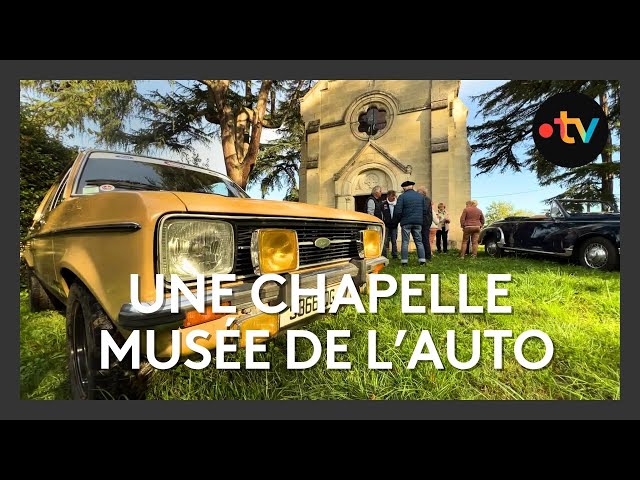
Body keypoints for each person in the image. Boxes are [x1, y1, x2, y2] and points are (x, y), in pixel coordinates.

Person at [393, 181, 427, 266]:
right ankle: (422, 260)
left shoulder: (402, 197)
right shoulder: (420, 196)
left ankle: (404, 261)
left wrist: (400, 219)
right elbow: (425, 210)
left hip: (406, 222)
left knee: (405, 242)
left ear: (404, 188)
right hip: (418, 222)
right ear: (412, 186)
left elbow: (398, 211)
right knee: (419, 241)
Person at [416, 186, 433, 261]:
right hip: (423, 221)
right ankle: (423, 255)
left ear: (422, 193)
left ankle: (428, 256)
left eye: (418, 192)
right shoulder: (424, 199)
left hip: (425, 221)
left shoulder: (426, 199)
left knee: (425, 239)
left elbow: (424, 210)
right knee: (422, 239)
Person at [381, 190, 398, 259]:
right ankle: (384, 255)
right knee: (385, 241)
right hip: (386, 225)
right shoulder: (383, 204)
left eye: (394, 196)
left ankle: (395, 255)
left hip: (394, 225)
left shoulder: (397, 204)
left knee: (394, 241)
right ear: (388, 196)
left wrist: (397, 221)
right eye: (392, 196)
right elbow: (381, 214)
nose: (393, 197)